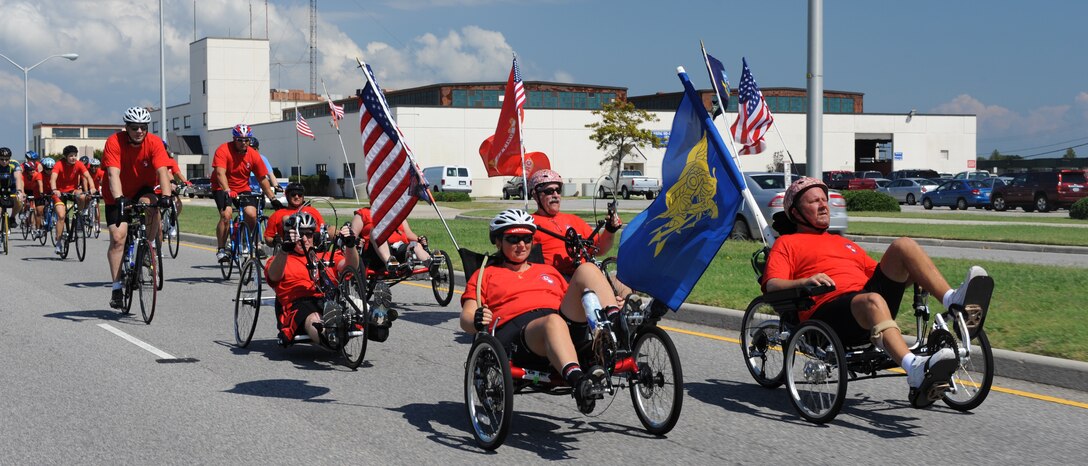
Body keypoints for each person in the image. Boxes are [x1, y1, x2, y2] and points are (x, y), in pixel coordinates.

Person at [762, 177, 993, 408]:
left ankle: (954, 301)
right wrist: (805, 281)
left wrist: (915, 270)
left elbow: (884, 276)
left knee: (904, 245)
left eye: (825, 200)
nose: (824, 205)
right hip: (828, 312)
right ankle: (914, 369)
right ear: (796, 212)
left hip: (867, 302)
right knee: (872, 300)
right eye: (814, 201)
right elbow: (772, 285)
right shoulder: (787, 244)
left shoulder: (844, 244)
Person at [460, 209, 627, 414]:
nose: (521, 245)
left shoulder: (548, 271)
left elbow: (574, 300)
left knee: (587, 269)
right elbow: (466, 318)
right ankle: (579, 382)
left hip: (562, 329)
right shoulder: (485, 274)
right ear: (498, 242)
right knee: (553, 322)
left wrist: (607, 300)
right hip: (519, 338)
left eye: (527, 238)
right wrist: (476, 319)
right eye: (513, 239)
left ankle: (614, 324)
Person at [102, 106, 174, 308]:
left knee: (153, 206)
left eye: (143, 127)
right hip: (117, 193)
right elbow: (112, 174)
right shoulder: (114, 142)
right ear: (126, 128)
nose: (140, 131)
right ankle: (117, 287)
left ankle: (147, 246)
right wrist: (119, 198)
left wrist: (167, 196)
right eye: (135, 128)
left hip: (143, 189)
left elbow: (162, 170)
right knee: (118, 238)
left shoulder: (154, 142)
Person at [265, 211, 359, 346]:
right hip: (298, 306)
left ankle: (376, 316)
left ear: (314, 236)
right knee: (313, 316)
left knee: (351, 304)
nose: (304, 239)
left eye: (308, 234)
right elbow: (273, 276)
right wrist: (284, 250)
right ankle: (329, 335)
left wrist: (350, 246)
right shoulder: (280, 260)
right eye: (299, 234)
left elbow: (350, 267)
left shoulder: (325, 257)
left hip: (328, 300)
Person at [528, 169, 622, 277]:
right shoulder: (530, 224)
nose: (555, 195)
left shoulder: (573, 220)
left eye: (558, 190)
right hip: (556, 281)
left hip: (585, 275)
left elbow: (599, 249)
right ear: (535, 196)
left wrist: (610, 230)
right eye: (549, 191)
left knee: (621, 279)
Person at [211, 124, 282, 263]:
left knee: (251, 214)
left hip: (242, 187)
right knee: (226, 215)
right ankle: (221, 249)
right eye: (240, 140)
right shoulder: (223, 150)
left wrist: (272, 198)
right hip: (222, 187)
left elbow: (262, 178)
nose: (243, 143)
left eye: (246, 140)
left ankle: (249, 241)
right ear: (234, 139)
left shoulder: (253, 154)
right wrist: (227, 190)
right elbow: (220, 173)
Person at [349, 207, 430, 273]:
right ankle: (389, 262)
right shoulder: (363, 213)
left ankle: (430, 263)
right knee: (375, 230)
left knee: (415, 245)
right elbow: (352, 237)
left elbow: (408, 234)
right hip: (375, 254)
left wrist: (419, 239)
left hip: (398, 248)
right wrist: (356, 241)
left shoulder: (397, 213)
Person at [49, 145, 95, 255]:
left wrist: (92, 188)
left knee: (82, 195)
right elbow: (53, 178)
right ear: (65, 157)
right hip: (59, 192)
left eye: (75, 155)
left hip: (72, 190)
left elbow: (88, 176)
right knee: (61, 216)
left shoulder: (79, 164)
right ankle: (59, 242)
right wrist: (54, 189)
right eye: (71, 156)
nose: (73, 158)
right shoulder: (59, 164)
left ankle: (80, 213)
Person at [264, 182, 323, 246]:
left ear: (303, 197)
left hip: (312, 245)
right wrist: (274, 241)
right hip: (289, 250)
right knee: (286, 218)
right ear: (287, 196)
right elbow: (268, 238)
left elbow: (323, 228)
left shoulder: (312, 211)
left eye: (300, 194)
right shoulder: (277, 214)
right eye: (293, 194)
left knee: (332, 230)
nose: (297, 197)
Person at [0, 147, 26, 226]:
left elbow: (18, 178)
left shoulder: (14, 164)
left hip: (12, 187)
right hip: (0, 188)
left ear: (10, 159)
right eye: (2, 159)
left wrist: (19, 191)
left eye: (6, 159)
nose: (4, 161)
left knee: (19, 202)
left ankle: (12, 217)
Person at [21, 158, 44, 238]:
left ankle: (34, 223)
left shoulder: (37, 174)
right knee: (25, 202)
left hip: (34, 190)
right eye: (31, 170)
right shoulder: (23, 175)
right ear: (27, 171)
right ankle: (24, 212)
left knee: (35, 208)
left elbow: (40, 183)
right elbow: (21, 185)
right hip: (26, 189)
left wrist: (41, 192)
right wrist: (23, 193)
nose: (33, 171)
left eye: (33, 170)